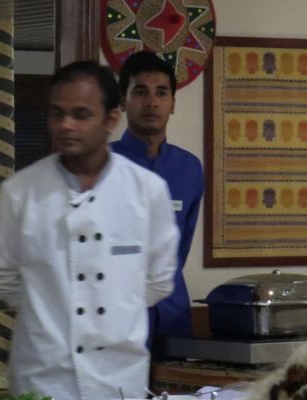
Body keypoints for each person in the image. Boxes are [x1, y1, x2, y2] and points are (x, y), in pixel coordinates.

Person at [0, 60, 179, 400]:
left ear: (110, 118)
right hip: (43, 375)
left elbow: (158, 281)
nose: (66, 125)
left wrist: (113, 315)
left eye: (81, 114)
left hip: (119, 376)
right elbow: (5, 282)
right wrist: (51, 322)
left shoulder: (147, 192)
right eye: (56, 114)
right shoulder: (19, 193)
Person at [111, 51, 204, 346]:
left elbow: (180, 247)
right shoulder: (98, 166)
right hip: (114, 323)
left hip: (172, 318)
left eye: (161, 93)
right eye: (140, 92)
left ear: (172, 104)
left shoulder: (188, 168)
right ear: (124, 101)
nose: (151, 102)